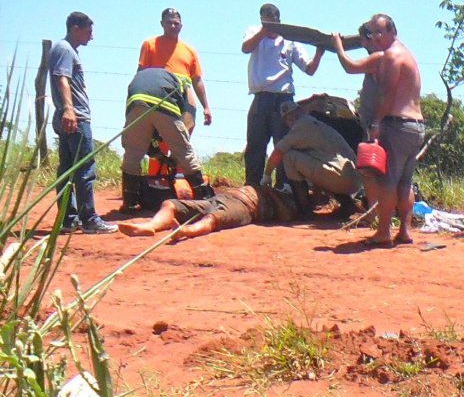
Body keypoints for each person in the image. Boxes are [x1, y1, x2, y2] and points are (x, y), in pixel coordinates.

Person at [241, 3, 325, 189]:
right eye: (266, 21)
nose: (271, 26)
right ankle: (252, 186)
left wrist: (319, 54)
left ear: (280, 21)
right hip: (261, 97)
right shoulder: (254, 32)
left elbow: (309, 69)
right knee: (255, 143)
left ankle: (284, 187)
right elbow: (245, 48)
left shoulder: (290, 40)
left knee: (284, 144)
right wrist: (263, 31)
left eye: (274, 22)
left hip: (284, 100)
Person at [49, 12, 118, 234]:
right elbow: (62, 79)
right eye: (88, 31)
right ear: (75, 27)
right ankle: (89, 219)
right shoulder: (65, 49)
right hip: (75, 117)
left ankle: (68, 219)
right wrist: (69, 110)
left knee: (68, 169)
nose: (91, 36)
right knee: (85, 169)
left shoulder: (66, 50)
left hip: (70, 116)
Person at [364, 13, 425, 247]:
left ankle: (383, 233)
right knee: (404, 182)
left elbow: (386, 93)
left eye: (380, 32)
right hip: (416, 127)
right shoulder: (407, 53)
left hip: (398, 125)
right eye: (372, 32)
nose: (376, 37)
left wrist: (376, 123)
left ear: (392, 31)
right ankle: (405, 231)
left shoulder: (392, 55)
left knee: (388, 181)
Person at [120, 67, 214, 212]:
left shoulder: (146, 76)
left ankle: (129, 202)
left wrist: (160, 156)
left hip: (136, 101)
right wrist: (176, 154)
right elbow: (188, 123)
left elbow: (141, 136)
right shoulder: (184, 83)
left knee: (132, 154)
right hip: (163, 101)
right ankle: (203, 199)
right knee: (185, 152)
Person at [260, 101, 362, 218]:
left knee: (289, 156)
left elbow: (278, 152)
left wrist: (266, 175)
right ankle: (347, 204)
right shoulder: (316, 124)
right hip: (354, 180)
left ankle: (304, 211)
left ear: (289, 120)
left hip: (340, 178)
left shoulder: (302, 126)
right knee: (326, 164)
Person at [117, 185, 297, 241]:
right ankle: (150, 226)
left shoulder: (285, 204)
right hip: (218, 198)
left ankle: (185, 231)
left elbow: (286, 216)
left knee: (213, 218)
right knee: (170, 203)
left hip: (244, 206)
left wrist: (274, 194)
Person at [138, 8, 211, 133]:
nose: (172, 26)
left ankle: (179, 151)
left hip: (183, 93)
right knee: (156, 134)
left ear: (181, 26)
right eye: (169, 23)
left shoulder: (189, 50)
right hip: (158, 93)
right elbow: (141, 72)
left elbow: (197, 79)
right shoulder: (149, 44)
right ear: (162, 24)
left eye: (176, 23)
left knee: (186, 127)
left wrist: (206, 107)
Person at [332, 22, 384, 134]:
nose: (362, 44)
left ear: (371, 38)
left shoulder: (380, 57)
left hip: (376, 125)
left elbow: (350, 67)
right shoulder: (378, 57)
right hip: (371, 123)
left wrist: (337, 45)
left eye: (363, 39)